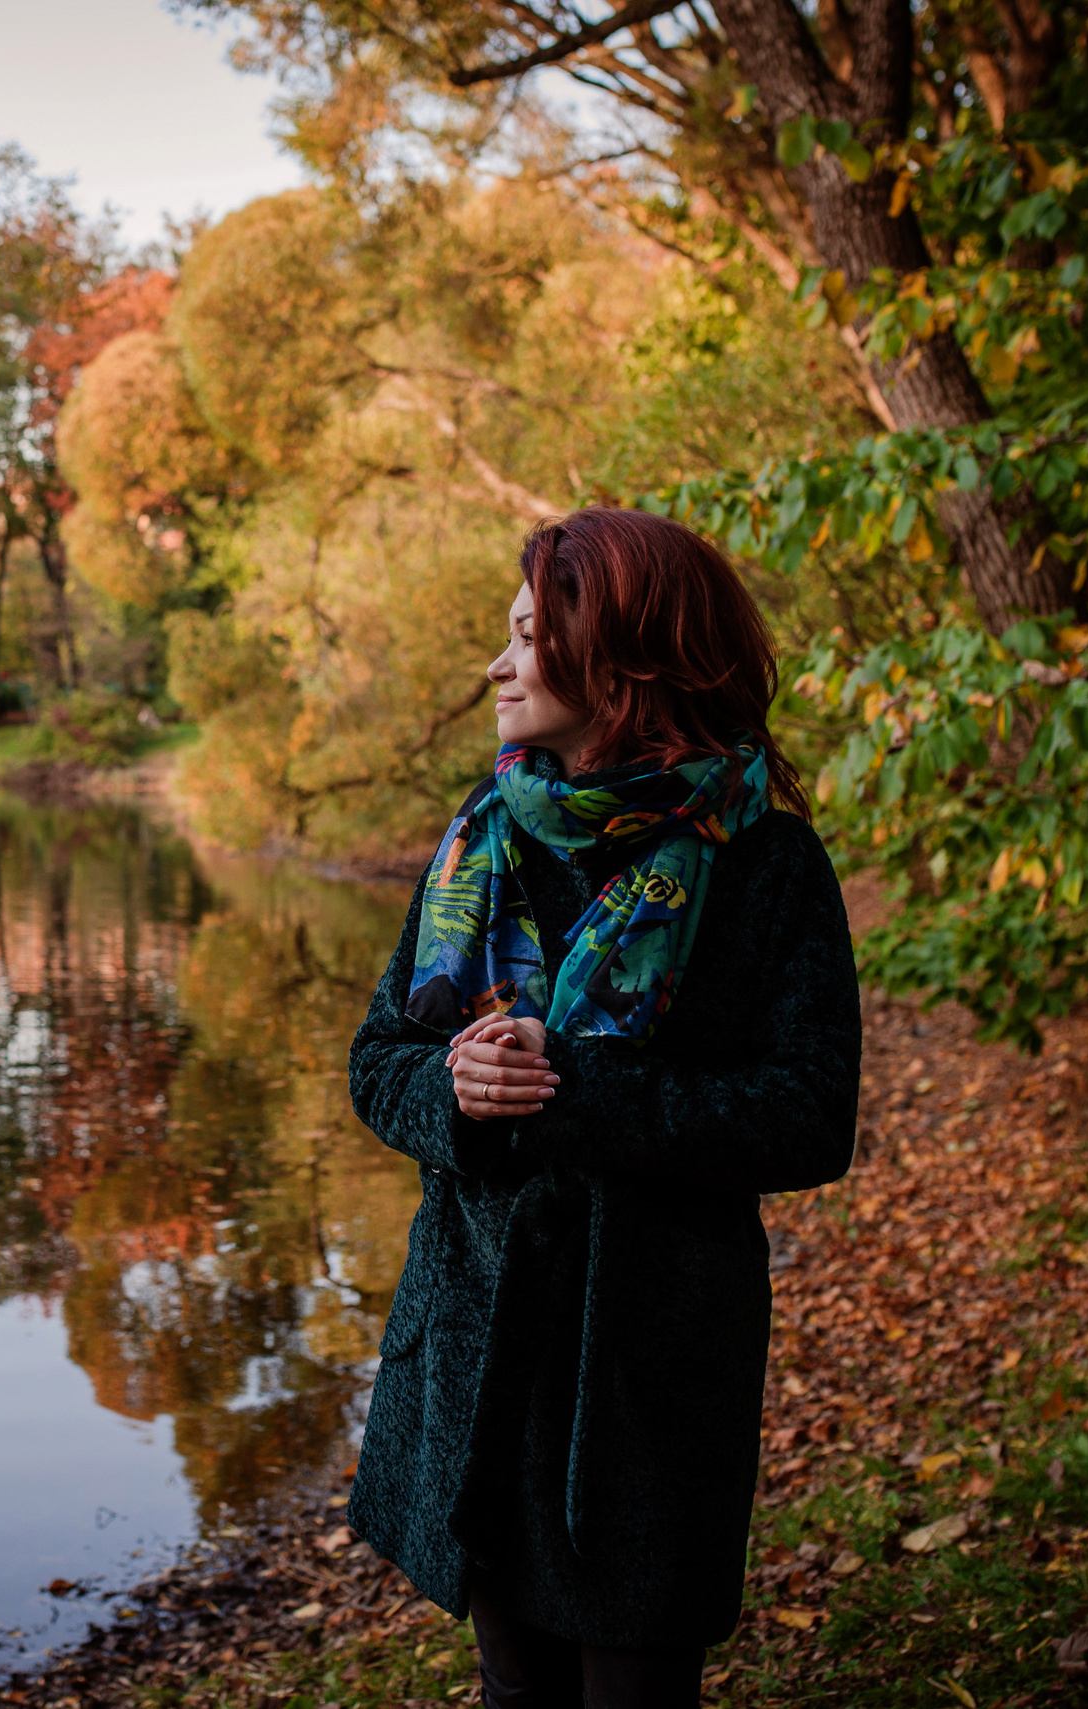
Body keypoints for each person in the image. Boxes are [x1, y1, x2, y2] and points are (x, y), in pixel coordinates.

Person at [344, 507, 862, 1708]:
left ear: (622, 652)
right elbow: (381, 1059)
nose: (498, 663)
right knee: (510, 1683)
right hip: (477, 1356)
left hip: (644, 1374)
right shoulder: (480, 843)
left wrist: (577, 1087)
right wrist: (458, 1092)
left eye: (529, 634)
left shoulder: (763, 863)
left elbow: (806, 1116)